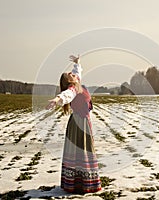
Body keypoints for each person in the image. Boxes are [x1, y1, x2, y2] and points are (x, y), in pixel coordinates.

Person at [46, 55, 102, 194]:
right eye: (69, 75)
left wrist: (77, 63)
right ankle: (80, 184)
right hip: (79, 125)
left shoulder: (77, 82)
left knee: (84, 150)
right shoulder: (73, 89)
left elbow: (77, 72)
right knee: (81, 151)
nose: (72, 73)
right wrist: (56, 99)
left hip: (83, 121)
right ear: (68, 81)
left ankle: (82, 182)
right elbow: (66, 95)